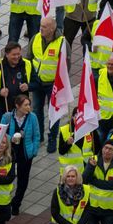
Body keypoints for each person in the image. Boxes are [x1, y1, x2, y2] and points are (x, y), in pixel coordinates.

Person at [29, 16, 66, 148]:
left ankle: (52, 138)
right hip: (37, 83)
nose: (41, 29)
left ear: (52, 28)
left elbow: (66, 65)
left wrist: (61, 84)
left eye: (44, 27)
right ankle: (39, 136)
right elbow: (29, 59)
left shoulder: (62, 43)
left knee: (54, 113)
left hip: (53, 85)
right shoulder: (35, 38)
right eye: (41, 26)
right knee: (37, 109)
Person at [0, 41, 33, 122]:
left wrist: (28, 86)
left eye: (18, 54)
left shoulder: (27, 64)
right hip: (1, 109)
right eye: (14, 54)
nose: (17, 57)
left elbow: (37, 83)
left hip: (21, 109)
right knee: (0, 132)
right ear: (6, 54)